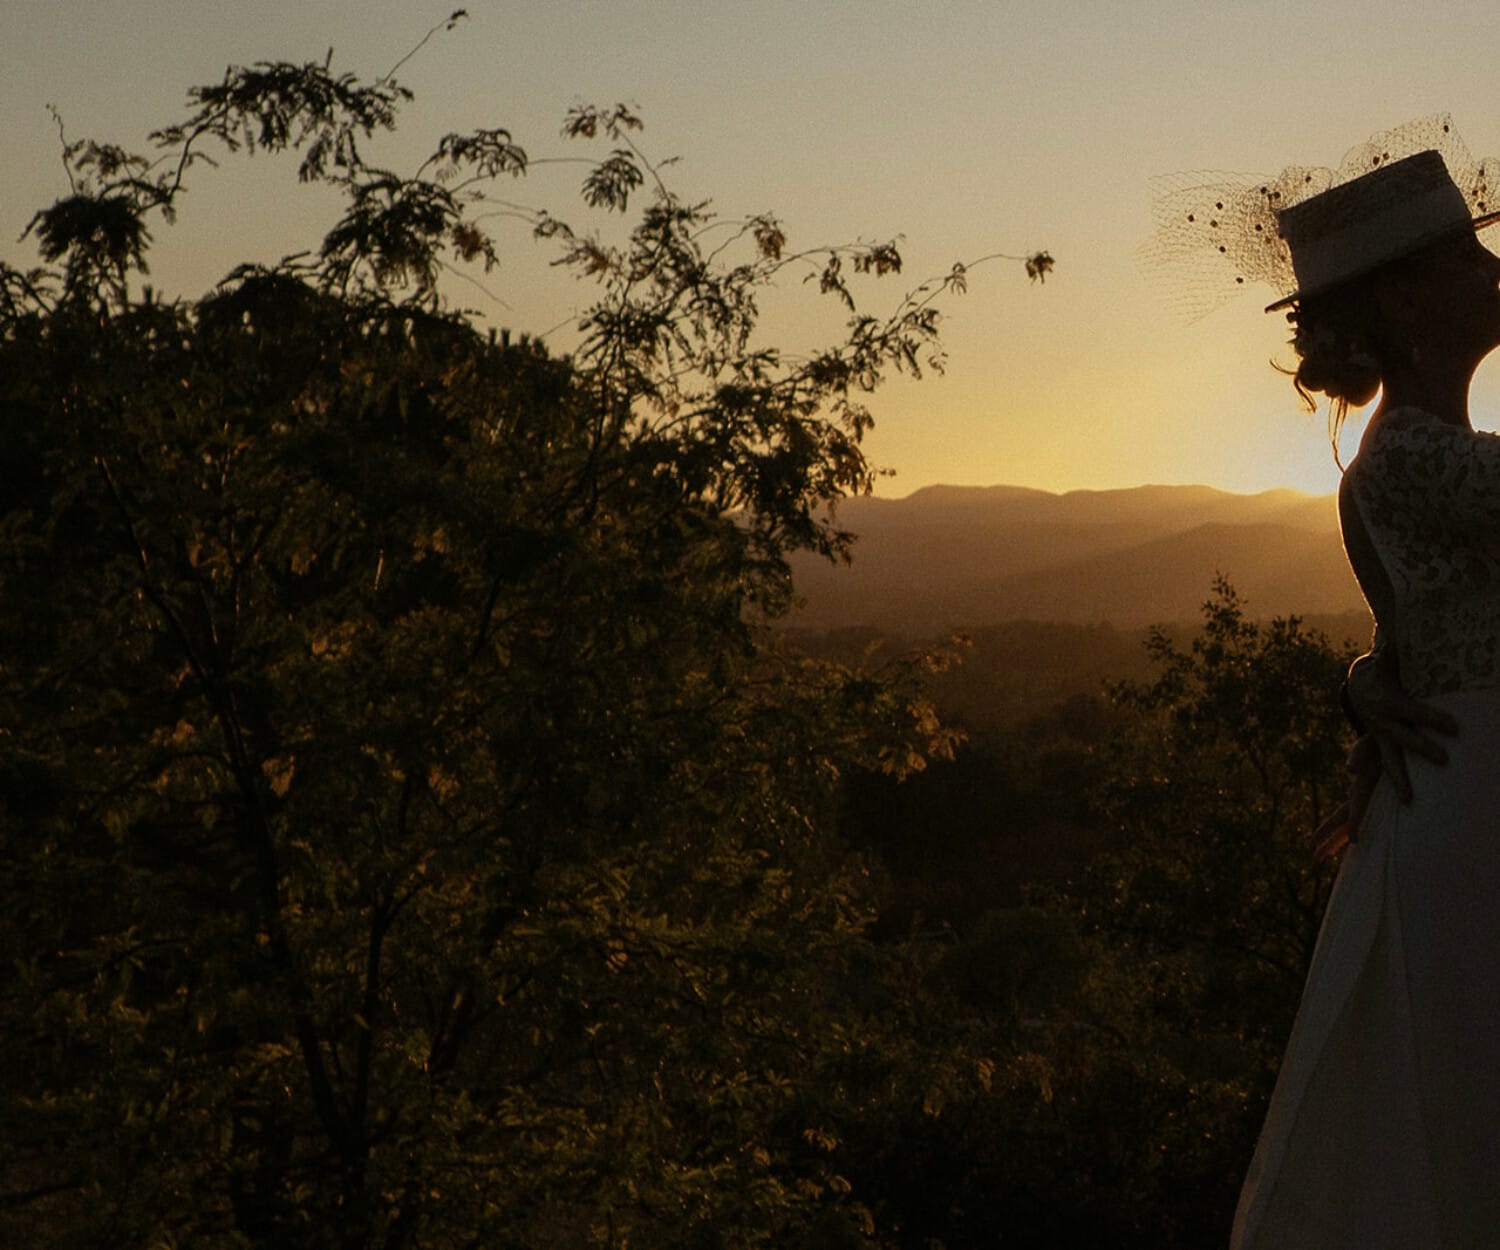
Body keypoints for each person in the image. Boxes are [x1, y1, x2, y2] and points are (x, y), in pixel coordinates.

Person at [1203, 132, 1500, 1248]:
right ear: (1410, 301)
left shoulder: (1411, 457)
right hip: (1476, 808)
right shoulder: (1420, 458)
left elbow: (1409, 630)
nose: (1494, 272)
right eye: (1470, 257)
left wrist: (1368, 677)